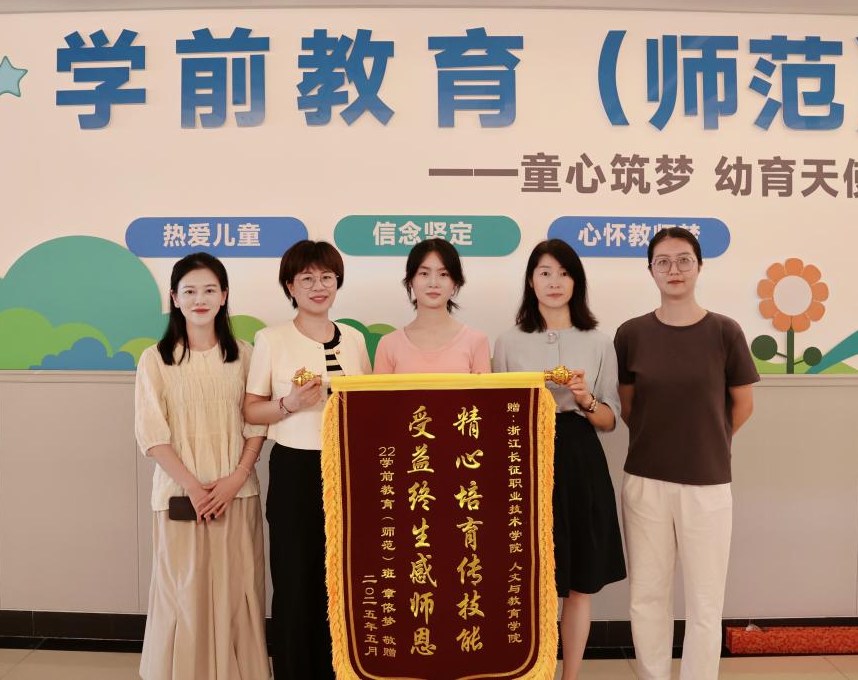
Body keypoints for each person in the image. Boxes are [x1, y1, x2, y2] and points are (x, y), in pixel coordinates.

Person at [614, 227, 758, 680]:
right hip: (645, 482)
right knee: (647, 596)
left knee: (705, 601)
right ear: (650, 270)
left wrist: (706, 442)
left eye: (683, 260)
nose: (673, 270)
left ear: (699, 266)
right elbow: (629, 408)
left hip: (708, 485)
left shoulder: (725, 331)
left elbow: (743, 405)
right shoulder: (631, 333)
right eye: (663, 261)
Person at [492, 239, 626, 680]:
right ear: (530, 281)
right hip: (524, 458)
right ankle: (535, 671)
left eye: (564, 273)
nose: (554, 282)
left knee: (579, 582)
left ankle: (570, 675)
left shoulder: (599, 341)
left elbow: (609, 420)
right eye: (545, 273)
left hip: (579, 456)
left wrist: (585, 400)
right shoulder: (508, 341)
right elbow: (495, 413)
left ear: (577, 282)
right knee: (532, 579)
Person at [135, 253, 269, 680]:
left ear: (224, 296)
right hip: (179, 498)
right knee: (183, 596)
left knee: (238, 593)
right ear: (174, 298)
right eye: (190, 291)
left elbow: (256, 424)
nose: (200, 299)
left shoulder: (245, 356)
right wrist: (194, 488)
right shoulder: (155, 359)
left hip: (237, 495)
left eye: (210, 290)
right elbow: (152, 435)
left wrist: (236, 478)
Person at [244, 240, 371, 680]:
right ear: (290, 286)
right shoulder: (271, 339)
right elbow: (251, 411)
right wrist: (290, 403)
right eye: (307, 278)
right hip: (296, 470)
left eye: (327, 277)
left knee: (342, 578)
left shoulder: (355, 339)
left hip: (349, 472)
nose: (319, 287)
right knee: (296, 579)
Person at [373, 238, 490, 374]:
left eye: (443, 274)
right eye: (424, 273)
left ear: (455, 283)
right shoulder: (388, 344)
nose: (433, 283)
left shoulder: (476, 342)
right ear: (410, 281)